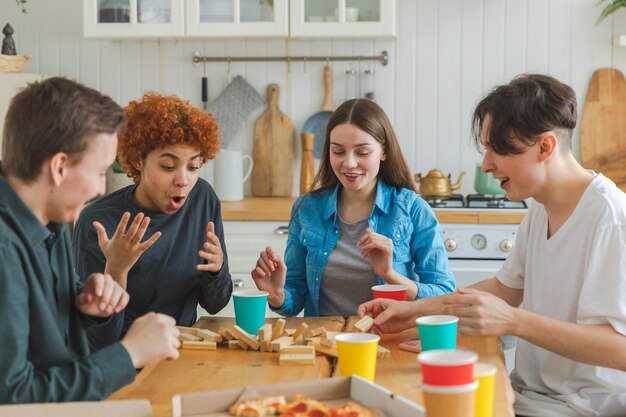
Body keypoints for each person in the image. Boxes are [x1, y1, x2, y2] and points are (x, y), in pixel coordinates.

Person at [358, 74, 626, 417]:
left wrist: (515, 322)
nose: (486, 164)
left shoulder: (609, 217)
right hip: (527, 397)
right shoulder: (541, 207)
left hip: (580, 409)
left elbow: (619, 348)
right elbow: (505, 288)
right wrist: (415, 311)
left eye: (497, 148)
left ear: (545, 147)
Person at [0, 77, 180, 403]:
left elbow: (48, 328)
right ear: (59, 167)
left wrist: (86, 303)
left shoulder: (50, 215)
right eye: (99, 173)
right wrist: (130, 353)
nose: (101, 189)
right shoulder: (4, 249)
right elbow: (13, 397)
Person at [251, 98, 455, 317]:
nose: (348, 163)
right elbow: (295, 295)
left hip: (387, 343)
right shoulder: (306, 209)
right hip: (323, 343)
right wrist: (277, 296)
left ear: (383, 151)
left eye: (362, 152)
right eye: (338, 152)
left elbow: (444, 295)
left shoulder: (413, 210)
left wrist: (390, 275)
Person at [73, 92, 232, 352]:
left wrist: (217, 270)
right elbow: (95, 342)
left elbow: (215, 305)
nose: (183, 180)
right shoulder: (99, 222)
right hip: (128, 362)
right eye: (168, 166)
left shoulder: (203, 198)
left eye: (193, 167)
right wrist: (116, 270)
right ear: (138, 161)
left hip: (185, 354)